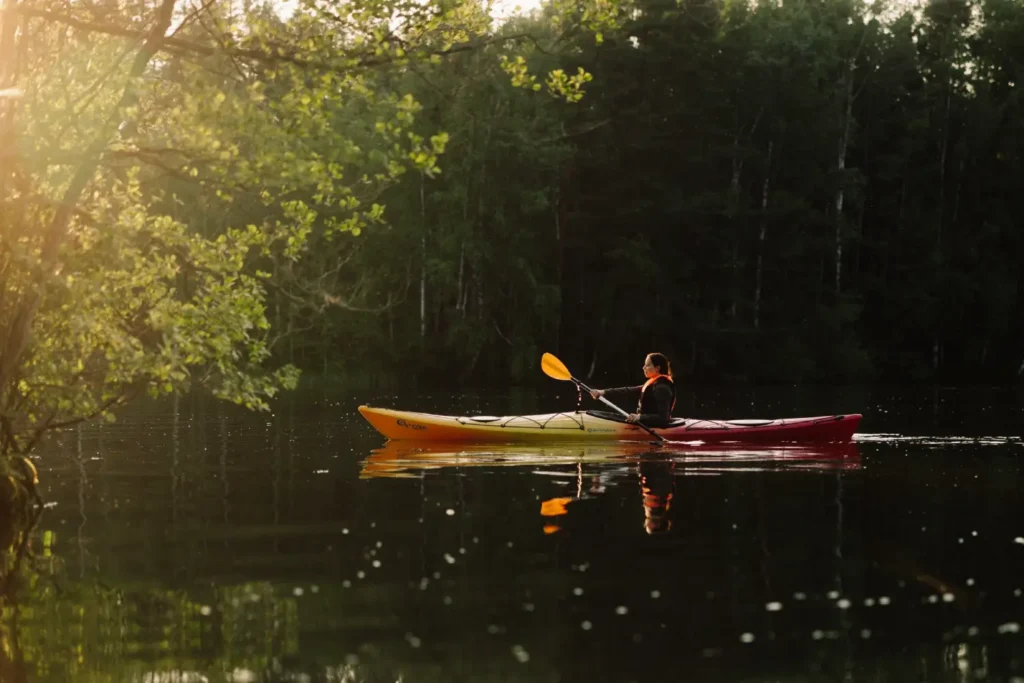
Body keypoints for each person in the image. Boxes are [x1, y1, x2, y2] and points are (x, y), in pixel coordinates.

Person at [589, 352, 676, 428]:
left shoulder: (662, 388)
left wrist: (639, 417)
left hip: (653, 427)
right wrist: (603, 392)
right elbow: (627, 390)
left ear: (657, 368)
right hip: (645, 424)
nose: (643, 368)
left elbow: (663, 419)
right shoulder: (653, 384)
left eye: (647, 365)